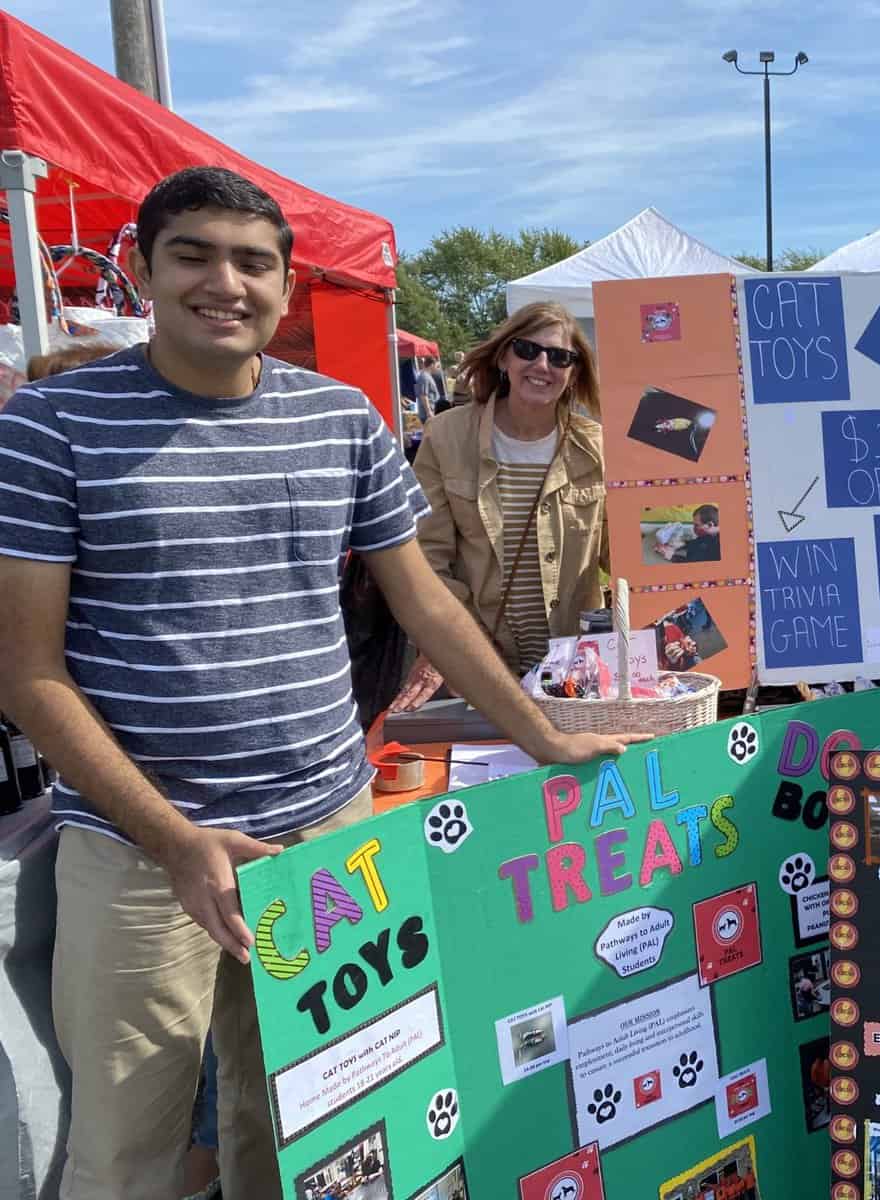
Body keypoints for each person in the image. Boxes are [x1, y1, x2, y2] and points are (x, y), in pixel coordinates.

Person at [0, 166, 647, 1200]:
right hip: (137, 857)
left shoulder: (342, 420)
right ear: (139, 269)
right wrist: (174, 842)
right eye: (194, 255)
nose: (227, 282)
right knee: (125, 1155)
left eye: (253, 262)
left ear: (288, 284)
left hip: (326, 842)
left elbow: (427, 605)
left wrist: (543, 735)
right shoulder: (51, 425)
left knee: (307, 1134)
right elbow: (25, 670)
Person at [397, 301, 610, 709]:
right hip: (479, 668)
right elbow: (427, 557)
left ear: (574, 372)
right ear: (503, 357)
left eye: (560, 357)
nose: (542, 365)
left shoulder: (597, 448)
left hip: (577, 675)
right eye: (528, 350)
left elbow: (623, 557)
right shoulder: (446, 437)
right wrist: (445, 649)